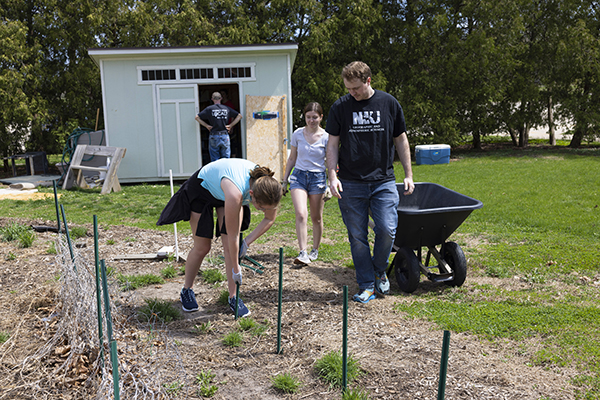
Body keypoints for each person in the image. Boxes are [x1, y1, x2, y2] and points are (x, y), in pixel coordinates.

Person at [326, 61, 415, 304]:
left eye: (355, 88)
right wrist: (332, 176)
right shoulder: (340, 107)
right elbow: (332, 144)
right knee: (357, 236)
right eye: (348, 88)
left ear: (368, 81)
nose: (351, 93)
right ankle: (367, 284)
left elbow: (401, 140)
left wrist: (408, 174)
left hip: (383, 180)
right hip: (351, 182)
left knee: (387, 229)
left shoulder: (389, 103)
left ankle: (379, 270)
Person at [157, 158, 283, 317]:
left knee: (232, 249)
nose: (264, 211)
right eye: (262, 208)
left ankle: (233, 297)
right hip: (202, 190)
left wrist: (246, 243)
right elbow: (233, 236)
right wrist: (237, 269)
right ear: (251, 195)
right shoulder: (235, 193)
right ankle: (186, 290)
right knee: (203, 247)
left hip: (223, 192)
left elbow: (270, 219)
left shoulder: (269, 188)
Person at [282, 102, 329, 265]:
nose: (311, 120)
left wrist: (330, 183)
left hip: (318, 178)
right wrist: (284, 180)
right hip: (299, 177)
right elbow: (292, 158)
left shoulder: (326, 137)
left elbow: (330, 162)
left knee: (316, 217)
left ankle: (314, 249)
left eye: (314, 117)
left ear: (321, 117)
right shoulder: (297, 134)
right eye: (308, 117)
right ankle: (303, 252)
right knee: (301, 214)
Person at [195, 92, 242, 161]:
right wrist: (230, 125)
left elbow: (197, 117)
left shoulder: (209, 109)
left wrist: (207, 126)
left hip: (214, 135)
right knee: (226, 159)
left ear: (212, 99)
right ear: (221, 98)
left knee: (215, 159)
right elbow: (239, 116)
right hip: (225, 135)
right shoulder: (226, 108)